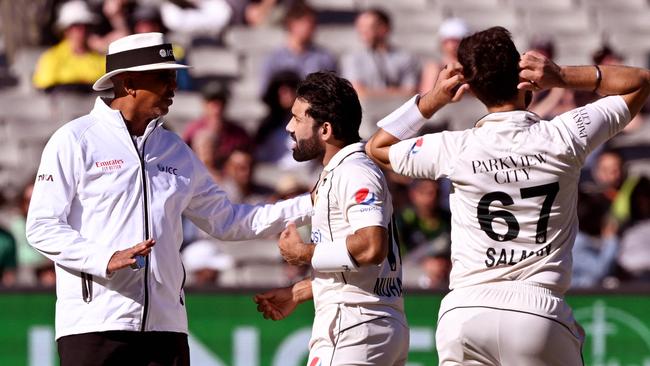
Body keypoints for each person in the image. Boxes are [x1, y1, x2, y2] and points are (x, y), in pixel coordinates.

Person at [365, 26, 650, 365]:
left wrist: (435, 98)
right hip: (537, 310)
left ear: (471, 88)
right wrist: (561, 76)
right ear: (525, 78)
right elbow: (640, 82)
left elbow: (377, 147)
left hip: (465, 311)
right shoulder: (565, 135)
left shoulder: (455, 148)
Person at [26, 32, 313, 366]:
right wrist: (104, 258)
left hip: (167, 331)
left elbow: (228, 220)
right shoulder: (74, 141)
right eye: (163, 76)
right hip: (95, 328)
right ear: (129, 83)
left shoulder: (175, 150)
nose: (174, 85)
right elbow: (42, 227)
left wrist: (310, 203)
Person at [254, 72, 409, 365]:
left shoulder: (354, 171)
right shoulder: (346, 170)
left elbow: (372, 247)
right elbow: (358, 265)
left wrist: (303, 254)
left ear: (325, 130)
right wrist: (301, 291)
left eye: (298, 119)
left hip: (353, 326)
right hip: (375, 320)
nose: (289, 127)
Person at [259, 1, 337, 93]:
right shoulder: (274, 59)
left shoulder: (325, 57)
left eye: (314, 23)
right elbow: (264, 92)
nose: (312, 27)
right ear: (292, 24)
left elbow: (335, 91)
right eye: (307, 23)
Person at [341, 8, 420, 97]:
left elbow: (410, 92)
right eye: (360, 26)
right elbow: (356, 92)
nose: (363, 31)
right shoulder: (352, 58)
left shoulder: (406, 57)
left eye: (370, 27)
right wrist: (395, 91)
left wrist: (370, 92)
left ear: (384, 28)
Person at [32, 0, 105, 93]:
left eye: (87, 25)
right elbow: (44, 91)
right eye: (77, 26)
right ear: (66, 29)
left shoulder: (101, 60)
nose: (83, 30)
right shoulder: (50, 59)